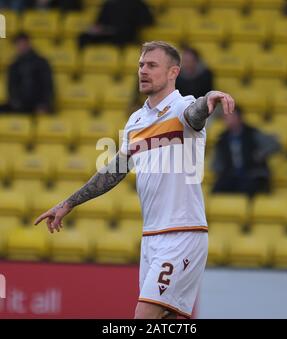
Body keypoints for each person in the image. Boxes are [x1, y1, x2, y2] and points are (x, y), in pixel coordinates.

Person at [34, 41, 235, 319]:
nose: (143, 70)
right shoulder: (136, 121)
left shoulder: (181, 107)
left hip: (182, 233)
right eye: (141, 64)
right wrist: (68, 203)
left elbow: (195, 114)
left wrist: (209, 98)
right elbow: (115, 170)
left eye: (152, 65)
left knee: (143, 317)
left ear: (172, 72)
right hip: (151, 238)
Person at [211, 106, 281, 197]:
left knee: (250, 187)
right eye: (225, 117)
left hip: (252, 174)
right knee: (217, 189)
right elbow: (216, 164)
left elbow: (275, 145)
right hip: (232, 176)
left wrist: (261, 153)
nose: (226, 119)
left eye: (230, 116)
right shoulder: (223, 138)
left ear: (239, 117)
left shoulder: (252, 133)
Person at [0, 32, 54, 114]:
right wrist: (15, 102)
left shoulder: (41, 62)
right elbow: (11, 86)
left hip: (38, 103)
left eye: (22, 43)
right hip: (19, 104)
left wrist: (44, 104)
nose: (20, 46)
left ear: (28, 43)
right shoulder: (14, 65)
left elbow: (47, 85)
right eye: (18, 44)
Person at [78, 0, 154, 49]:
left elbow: (148, 22)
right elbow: (99, 24)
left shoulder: (138, 4)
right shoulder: (109, 4)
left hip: (126, 36)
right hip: (110, 34)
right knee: (84, 37)